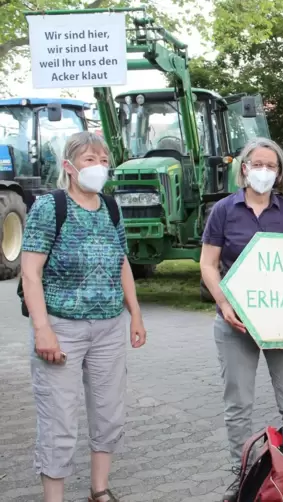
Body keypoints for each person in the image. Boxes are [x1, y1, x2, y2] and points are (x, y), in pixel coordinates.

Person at [20, 131, 147, 502]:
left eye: (104, 160)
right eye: (90, 160)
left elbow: (121, 261)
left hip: (109, 329)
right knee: (59, 419)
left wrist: (135, 313)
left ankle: (100, 490)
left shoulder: (111, 207)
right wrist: (42, 330)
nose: (100, 167)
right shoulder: (49, 207)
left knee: (109, 414)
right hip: (62, 328)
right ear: (69, 167)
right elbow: (30, 273)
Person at [199, 137, 283, 502]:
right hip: (235, 325)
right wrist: (224, 302)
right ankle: (243, 485)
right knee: (238, 408)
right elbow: (207, 263)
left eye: (271, 166)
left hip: (282, 326)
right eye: (257, 164)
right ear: (244, 168)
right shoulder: (223, 210)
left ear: (279, 173)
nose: (263, 171)